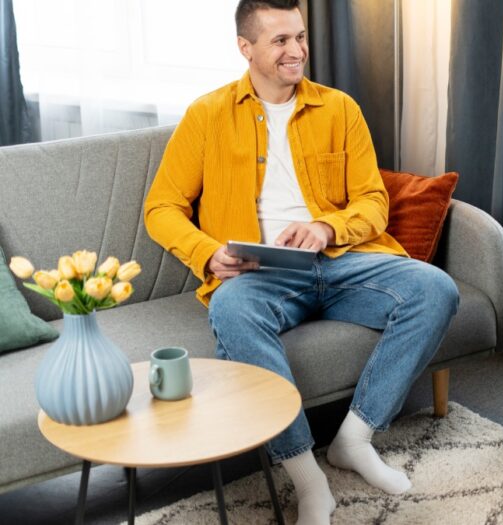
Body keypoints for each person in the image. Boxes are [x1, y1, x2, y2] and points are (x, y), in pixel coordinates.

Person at [143, 1, 460, 523]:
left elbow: (373, 201)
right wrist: (207, 253)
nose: (297, 51)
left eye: (300, 36)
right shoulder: (208, 115)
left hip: (340, 260)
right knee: (233, 312)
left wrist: (326, 226)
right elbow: (161, 208)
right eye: (280, 41)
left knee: (436, 291)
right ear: (245, 48)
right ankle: (305, 476)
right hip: (259, 274)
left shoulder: (339, 109)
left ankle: (355, 439)